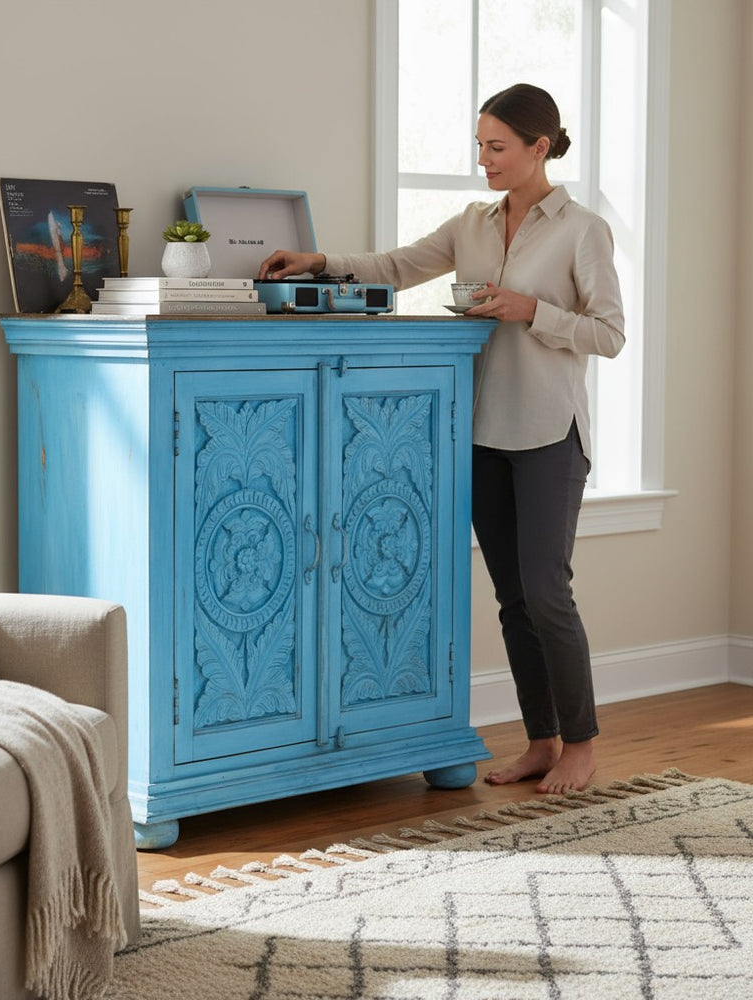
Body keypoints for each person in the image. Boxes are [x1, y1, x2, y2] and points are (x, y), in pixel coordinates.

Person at [258, 83, 625, 795]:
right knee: (513, 599)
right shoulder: (472, 224)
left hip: (549, 434)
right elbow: (397, 267)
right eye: (479, 146)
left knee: (547, 593)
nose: (484, 159)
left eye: (497, 147)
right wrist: (318, 261)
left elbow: (609, 334)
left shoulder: (583, 230)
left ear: (539, 148)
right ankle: (542, 741)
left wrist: (532, 310)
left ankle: (581, 744)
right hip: (480, 433)